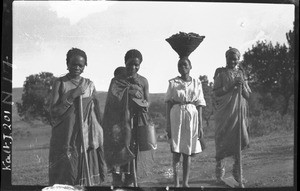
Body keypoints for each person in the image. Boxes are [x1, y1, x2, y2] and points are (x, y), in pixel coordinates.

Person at [48, 48, 105, 186]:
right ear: (67, 64)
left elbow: (96, 110)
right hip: (65, 134)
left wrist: (101, 130)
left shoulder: (89, 84)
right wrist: (73, 94)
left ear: (85, 66)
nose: (77, 67)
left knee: (83, 174)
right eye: (73, 64)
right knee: (65, 172)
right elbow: (54, 111)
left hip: (85, 134)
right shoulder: (60, 82)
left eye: (81, 65)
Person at [103, 49, 154, 187]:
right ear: (125, 63)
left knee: (134, 155)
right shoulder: (116, 80)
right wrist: (129, 90)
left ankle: (131, 181)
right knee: (120, 156)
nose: (133, 67)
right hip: (119, 125)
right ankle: (118, 182)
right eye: (130, 64)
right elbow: (111, 102)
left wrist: (140, 98)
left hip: (136, 122)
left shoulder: (143, 81)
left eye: (136, 65)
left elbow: (147, 103)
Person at [165, 57, 206, 187]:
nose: (182, 67)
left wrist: (200, 124)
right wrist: (168, 124)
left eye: (185, 65)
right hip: (176, 114)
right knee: (176, 151)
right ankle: (176, 183)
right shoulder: (173, 83)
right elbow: (168, 103)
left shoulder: (196, 82)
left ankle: (185, 183)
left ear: (190, 66)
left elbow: (199, 104)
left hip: (191, 115)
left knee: (187, 151)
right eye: (180, 65)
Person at [213, 47, 251, 183]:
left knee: (238, 140)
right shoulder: (220, 72)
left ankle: (237, 174)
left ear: (238, 60)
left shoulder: (241, 73)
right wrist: (231, 86)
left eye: (235, 58)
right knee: (222, 139)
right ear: (226, 58)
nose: (232, 61)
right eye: (230, 58)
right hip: (225, 112)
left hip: (238, 112)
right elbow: (217, 92)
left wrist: (242, 86)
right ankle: (219, 176)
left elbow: (247, 95)